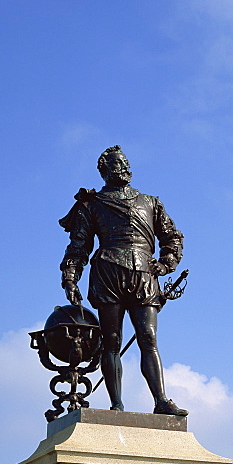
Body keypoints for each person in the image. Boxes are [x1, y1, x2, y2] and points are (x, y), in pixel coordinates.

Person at [59, 145, 187, 416]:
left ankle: (161, 400)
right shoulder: (91, 204)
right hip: (108, 274)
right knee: (112, 340)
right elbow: (78, 245)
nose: (125, 168)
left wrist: (165, 264)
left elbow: (172, 237)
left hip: (144, 274)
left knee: (148, 337)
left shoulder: (151, 202)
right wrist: (71, 277)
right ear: (104, 170)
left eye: (127, 163)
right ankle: (116, 405)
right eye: (118, 164)